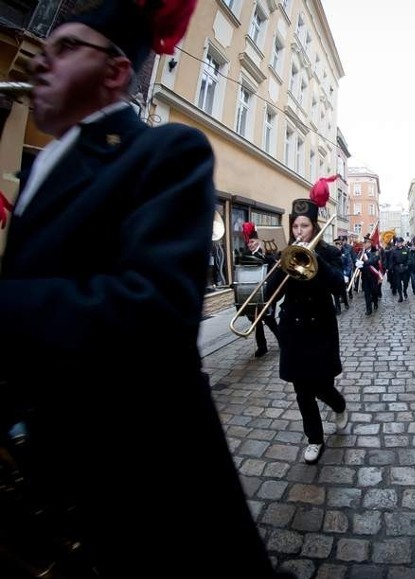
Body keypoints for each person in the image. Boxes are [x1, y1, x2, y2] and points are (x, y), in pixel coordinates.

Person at [0, 1, 283, 577]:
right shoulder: (40, 167)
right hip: (58, 458)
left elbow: (153, 311)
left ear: (114, 70)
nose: (41, 62)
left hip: (147, 466)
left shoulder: (164, 151)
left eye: (64, 48)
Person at [277, 177, 348, 464]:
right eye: (295, 225)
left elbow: (339, 287)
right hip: (293, 330)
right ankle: (315, 439)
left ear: (314, 227)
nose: (299, 230)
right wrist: (283, 264)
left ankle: (339, 404)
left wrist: (315, 259)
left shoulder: (329, 252)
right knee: (301, 390)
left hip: (320, 328)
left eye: (304, 225)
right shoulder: (286, 254)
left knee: (321, 386)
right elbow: (271, 292)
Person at [237, 222, 281, 357]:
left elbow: (274, 267)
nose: (249, 245)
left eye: (251, 242)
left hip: (266, 291)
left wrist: (265, 259)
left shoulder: (267, 253)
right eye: (248, 243)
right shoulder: (245, 255)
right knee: (255, 321)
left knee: (269, 319)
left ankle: (282, 341)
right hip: (251, 291)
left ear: (257, 241)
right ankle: (262, 346)